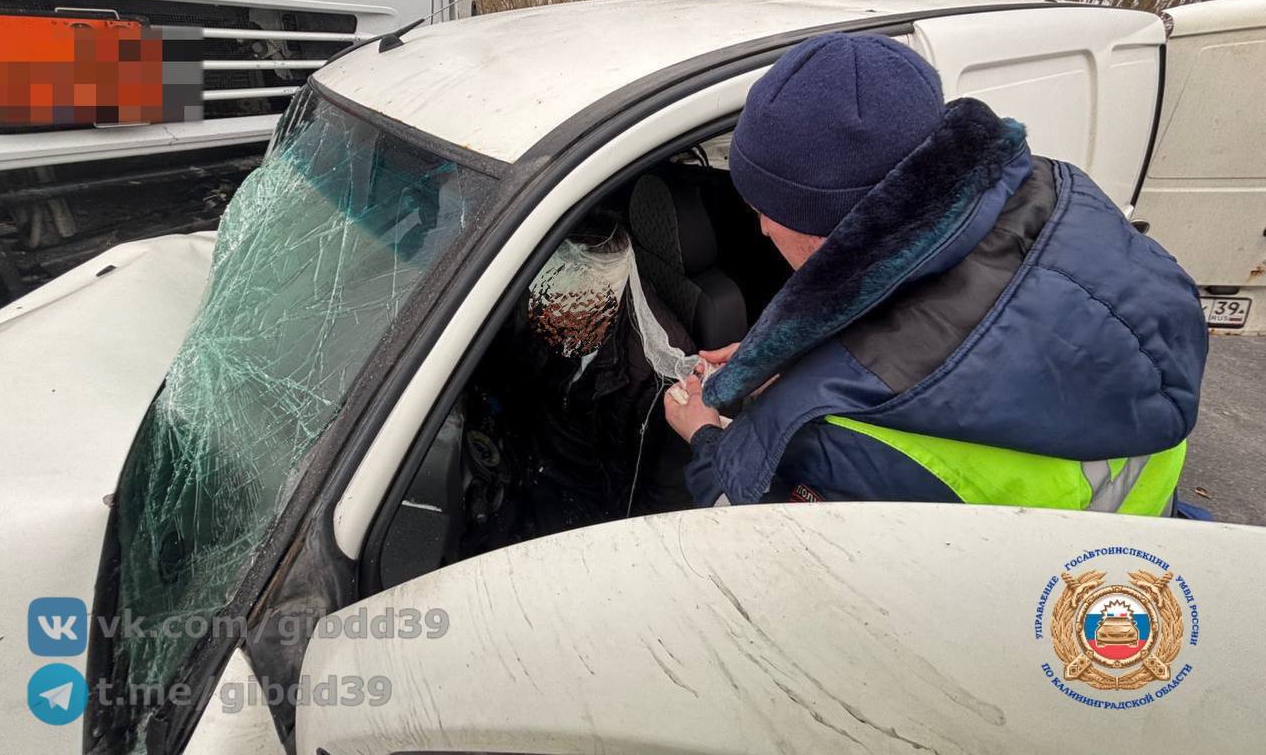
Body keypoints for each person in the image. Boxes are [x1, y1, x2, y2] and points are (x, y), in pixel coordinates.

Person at [663, 32, 1207, 515]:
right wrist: (790, 356)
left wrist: (707, 440)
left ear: (828, 220)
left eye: (768, 210)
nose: (760, 229)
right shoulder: (1060, 198)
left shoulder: (846, 436)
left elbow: (765, 547)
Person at [480, 214, 696, 536]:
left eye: (575, 302)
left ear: (609, 295)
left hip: (592, 502)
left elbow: (666, 492)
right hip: (534, 453)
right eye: (551, 295)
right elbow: (507, 366)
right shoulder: (540, 305)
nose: (551, 315)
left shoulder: (658, 369)